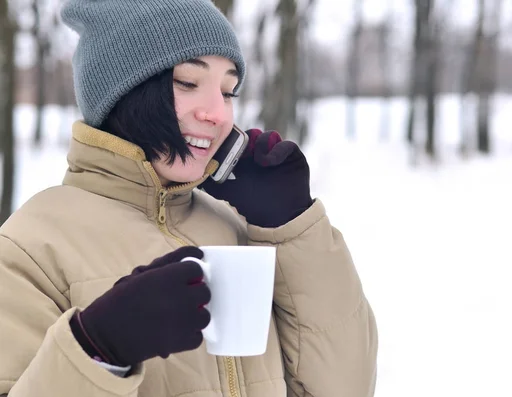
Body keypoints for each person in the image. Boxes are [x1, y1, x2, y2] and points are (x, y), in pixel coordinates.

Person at [0, 0, 378, 396]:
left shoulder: (237, 227)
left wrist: (293, 227)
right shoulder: (30, 247)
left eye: (229, 91)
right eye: (188, 83)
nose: (219, 114)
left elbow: (345, 387)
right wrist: (95, 349)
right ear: (122, 93)